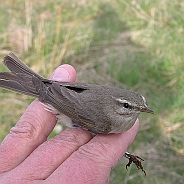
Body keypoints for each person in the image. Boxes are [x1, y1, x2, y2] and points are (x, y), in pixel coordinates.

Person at [0, 64, 139, 184]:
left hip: (68, 93)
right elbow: (73, 109)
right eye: (128, 106)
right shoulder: (109, 120)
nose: (140, 110)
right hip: (65, 105)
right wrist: (46, 89)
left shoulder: (115, 108)